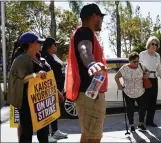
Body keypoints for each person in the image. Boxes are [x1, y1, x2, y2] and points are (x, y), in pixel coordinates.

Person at [66, 3, 108, 143]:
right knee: (94, 137)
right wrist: (91, 63)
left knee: (87, 134)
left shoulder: (81, 33)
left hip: (86, 95)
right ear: (94, 16)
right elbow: (84, 48)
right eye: (101, 17)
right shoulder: (85, 32)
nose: (102, 21)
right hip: (91, 95)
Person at [7, 32, 50, 143]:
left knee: (44, 133)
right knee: (26, 134)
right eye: (38, 42)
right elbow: (19, 80)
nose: (41, 44)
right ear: (30, 44)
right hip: (26, 103)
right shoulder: (21, 59)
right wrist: (36, 75)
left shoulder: (38, 58)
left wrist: (57, 93)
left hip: (40, 102)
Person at [115, 52, 149, 132]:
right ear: (129, 61)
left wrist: (147, 74)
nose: (136, 63)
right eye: (134, 61)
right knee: (130, 109)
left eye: (137, 61)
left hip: (140, 91)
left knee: (143, 107)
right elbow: (116, 76)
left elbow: (148, 71)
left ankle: (140, 124)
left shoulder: (141, 66)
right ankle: (131, 125)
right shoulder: (124, 68)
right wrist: (119, 85)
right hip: (128, 92)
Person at [41, 37, 68, 139]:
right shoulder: (46, 58)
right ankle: (47, 135)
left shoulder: (54, 56)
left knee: (54, 110)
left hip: (59, 88)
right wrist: (56, 89)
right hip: (51, 88)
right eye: (54, 45)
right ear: (49, 47)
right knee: (48, 111)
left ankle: (55, 131)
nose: (56, 46)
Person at [139, 36, 161, 127]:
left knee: (153, 102)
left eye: (156, 44)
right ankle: (141, 122)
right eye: (152, 44)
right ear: (149, 44)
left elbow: (159, 68)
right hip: (146, 79)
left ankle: (150, 121)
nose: (154, 46)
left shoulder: (157, 55)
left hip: (154, 80)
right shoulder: (142, 54)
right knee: (144, 102)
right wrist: (143, 73)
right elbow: (138, 66)